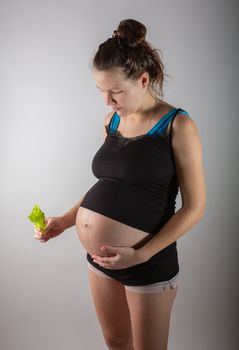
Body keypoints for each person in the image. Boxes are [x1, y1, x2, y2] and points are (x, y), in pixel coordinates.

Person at [34, 19, 206, 350]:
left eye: (116, 92)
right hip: (100, 262)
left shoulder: (178, 126)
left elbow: (195, 208)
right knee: (116, 342)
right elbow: (110, 185)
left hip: (148, 264)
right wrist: (66, 221)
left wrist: (140, 255)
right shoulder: (111, 120)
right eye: (101, 91)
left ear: (143, 80)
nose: (107, 101)